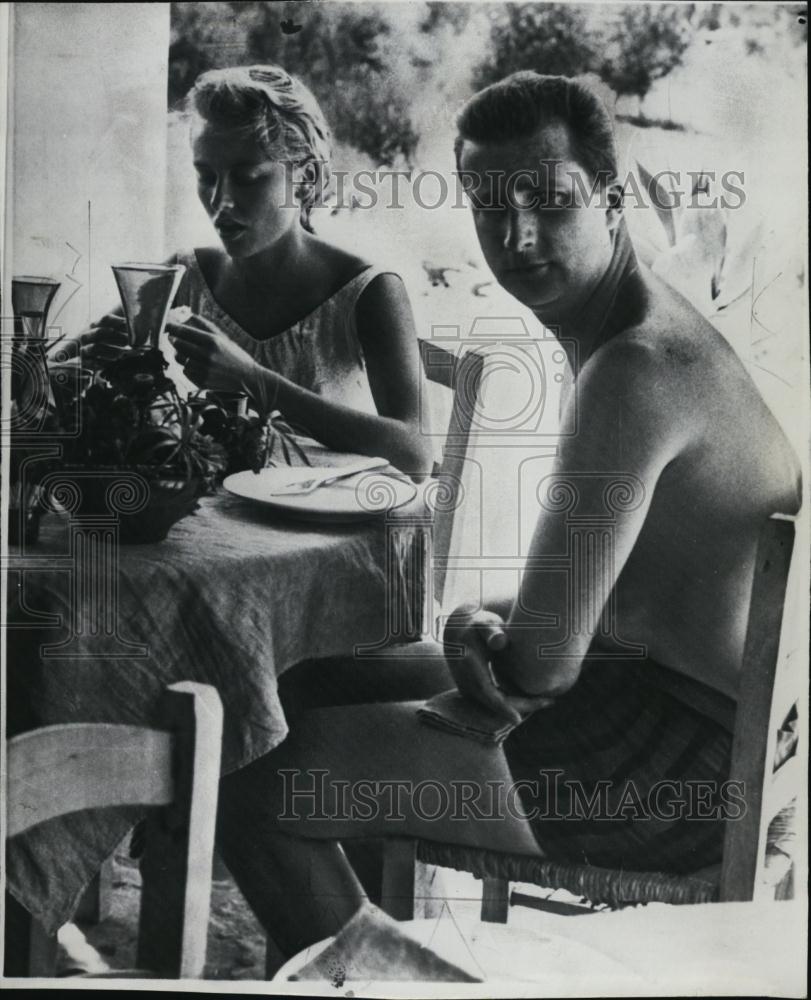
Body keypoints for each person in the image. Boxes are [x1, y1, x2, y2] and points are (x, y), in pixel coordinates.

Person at [210, 72, 802, 960]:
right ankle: (388, 944)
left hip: (674, 771)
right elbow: (577, 613)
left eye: (548, 200)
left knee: (248, 782)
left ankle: (376, 980)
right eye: (488, 206)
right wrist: (492, 632)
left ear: (609, 200)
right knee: (297, 687)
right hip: (701, 714)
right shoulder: (641, 327)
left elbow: (540, 664)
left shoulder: (635, 366)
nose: (515, 235)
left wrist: (477, 633)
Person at [71, 64, 432, 476]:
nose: (220, 202)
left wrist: (254, 380)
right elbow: (59, 364)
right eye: (206, 176)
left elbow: (416, 453)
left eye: (247, 179)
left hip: (327, 523)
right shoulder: (184, 275)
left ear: (305, 177)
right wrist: (81, 361)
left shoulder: (367, 290)